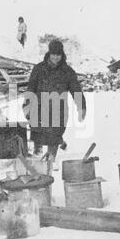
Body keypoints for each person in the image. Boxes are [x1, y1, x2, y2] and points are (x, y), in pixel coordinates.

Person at [24, 40, 86, 169]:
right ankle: (38, 154)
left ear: (62, 55)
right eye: (53, 54)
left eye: (58, 54)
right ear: (49, 53)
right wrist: (27, 104)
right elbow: (31, 87)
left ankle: (50, 161)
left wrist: (81, 106)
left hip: (58, 108)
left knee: (55, 133)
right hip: (40, 106)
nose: (56, 57)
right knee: (37, 132)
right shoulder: (39, 68)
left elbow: (76, 89)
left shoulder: (67, 71)